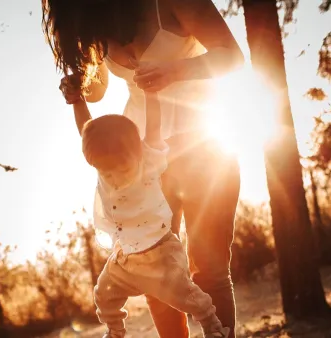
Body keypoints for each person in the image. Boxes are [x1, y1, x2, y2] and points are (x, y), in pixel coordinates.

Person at [42, 0, 244, 337]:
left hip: (204, 147)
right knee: (153, 273)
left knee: (210, 271)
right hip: (142, 159)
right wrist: (77, 87)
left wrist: (174, 70)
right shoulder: (100, 22)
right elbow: (99, 88)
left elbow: (232, 56)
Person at [61, 74, 231, 338]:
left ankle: (212, 325)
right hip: (125, 259)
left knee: (188, 297)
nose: (116, 177)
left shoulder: (149, 161)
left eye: (122, 169)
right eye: (108, 173)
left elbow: (153, 128)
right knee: (103, 296)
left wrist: (151, 95)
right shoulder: (103, 163)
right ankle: (115, 331)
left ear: (138, 154)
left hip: (160, 255)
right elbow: (87, 129)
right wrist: (77, 101)